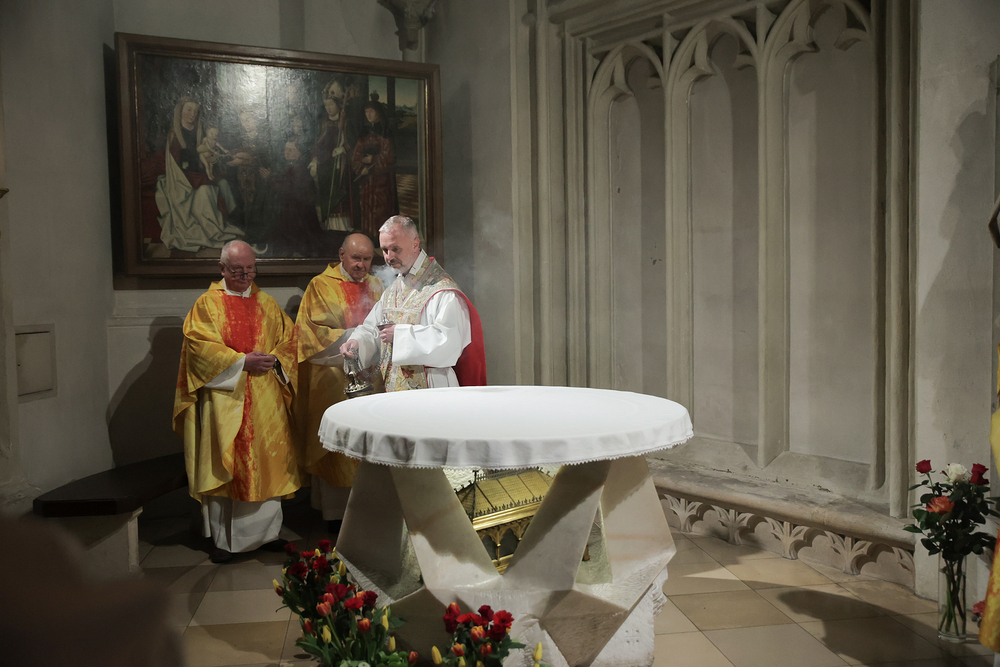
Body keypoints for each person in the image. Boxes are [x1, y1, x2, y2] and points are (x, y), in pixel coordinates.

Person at [173, 240, 300, 563]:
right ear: (222, 268)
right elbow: (199, 349)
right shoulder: (207, 305)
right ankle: (226, 541)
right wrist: (241, 362)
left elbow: (289, 341)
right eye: (237, 270)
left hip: (266, 399)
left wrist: (274, 359)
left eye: (250, 269)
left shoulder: (267, 303)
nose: (245, 276)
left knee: (268, 463)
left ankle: (267, 534)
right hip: (226, 400)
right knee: (227, 463)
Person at [294, 233, 383, 530]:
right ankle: (336, 516)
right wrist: (356, 339)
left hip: (371, 381)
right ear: (342, 254)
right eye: (356, 258)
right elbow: (311, 335)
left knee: (369, 444)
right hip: (334, 377)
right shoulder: (321, 286)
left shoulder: (378, 285)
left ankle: (370, 511)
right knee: (338, 448)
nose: (361, 265)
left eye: (367, 259)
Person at [340, 216, 486, 390]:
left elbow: (449, 342)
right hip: (395, 391)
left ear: (415, 244)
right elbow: (375, 330)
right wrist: (357, 343)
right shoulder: (394, 289)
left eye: (395, 249)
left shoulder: (442, 290)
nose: (389, 257)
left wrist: (400, 335)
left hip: (433, 388)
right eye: (385, 250)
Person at [155, 96, 242, 253]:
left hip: (199, 172)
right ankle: (211, 231)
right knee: (205, 191)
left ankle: (228, 219)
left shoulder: (199, 132)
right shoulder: (175, 135)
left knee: (223, 183)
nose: (192, 114)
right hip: (181, 179)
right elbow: (177, 166)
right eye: (189, 110)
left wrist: (211, 160)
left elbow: (205, 154)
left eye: (195, 111)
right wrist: (198, 166)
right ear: (180, 112)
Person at [309, 80, 355, 232]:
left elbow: (353, 144)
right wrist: (315, 159)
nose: (328, 108)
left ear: (338, 105)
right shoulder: (324, 123)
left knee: (339, 193)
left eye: (331, 104)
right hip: (325, 166)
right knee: (326, 196)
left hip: (340, 165)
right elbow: (319, 144)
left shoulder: (346, 122)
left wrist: (343, 149)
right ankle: (329, 225)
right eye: (326, 105)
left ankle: (342, 226)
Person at [351, 99, 398, 238]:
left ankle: (382, 238)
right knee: (366, 207)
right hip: (366, 181)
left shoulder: (386, 132)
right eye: (366, 112)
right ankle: (368, 236)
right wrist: (361, 168)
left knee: (381, 208)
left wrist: (373, 160)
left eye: (371, 111)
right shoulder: (363, 133)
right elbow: (356, 156)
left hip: (382, 181)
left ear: (378, 113)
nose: (368, 114)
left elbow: (388, 157)